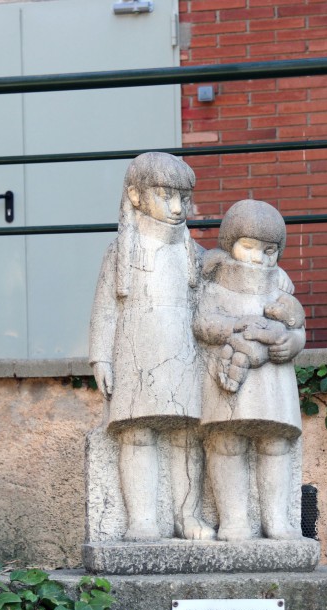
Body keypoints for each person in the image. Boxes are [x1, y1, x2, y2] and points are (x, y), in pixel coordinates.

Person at [89, 152, 215, 541]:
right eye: (165, 195)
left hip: (184, 353)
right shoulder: (120, 252)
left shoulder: (196, 255)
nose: (178, 208)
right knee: (137, 434)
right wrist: (101, 356)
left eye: (184, 197)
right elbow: (105, 308)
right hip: (134, 352)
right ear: (136, 195)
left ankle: (186, 515)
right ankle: (141, 518)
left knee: (187, 434)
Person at [193, 199, 305, 542]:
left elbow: (297, 326)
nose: (259, 258)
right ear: (230, 244)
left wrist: (292, 342)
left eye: (269, 250)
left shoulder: (282, 288)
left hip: (273, 383)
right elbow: (203, 323)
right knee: (226, 444)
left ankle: (277, 521)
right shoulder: (215, 284)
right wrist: (238, 325)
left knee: (275, 445)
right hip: (228, 380)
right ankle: (235, 520)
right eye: (249, 247)